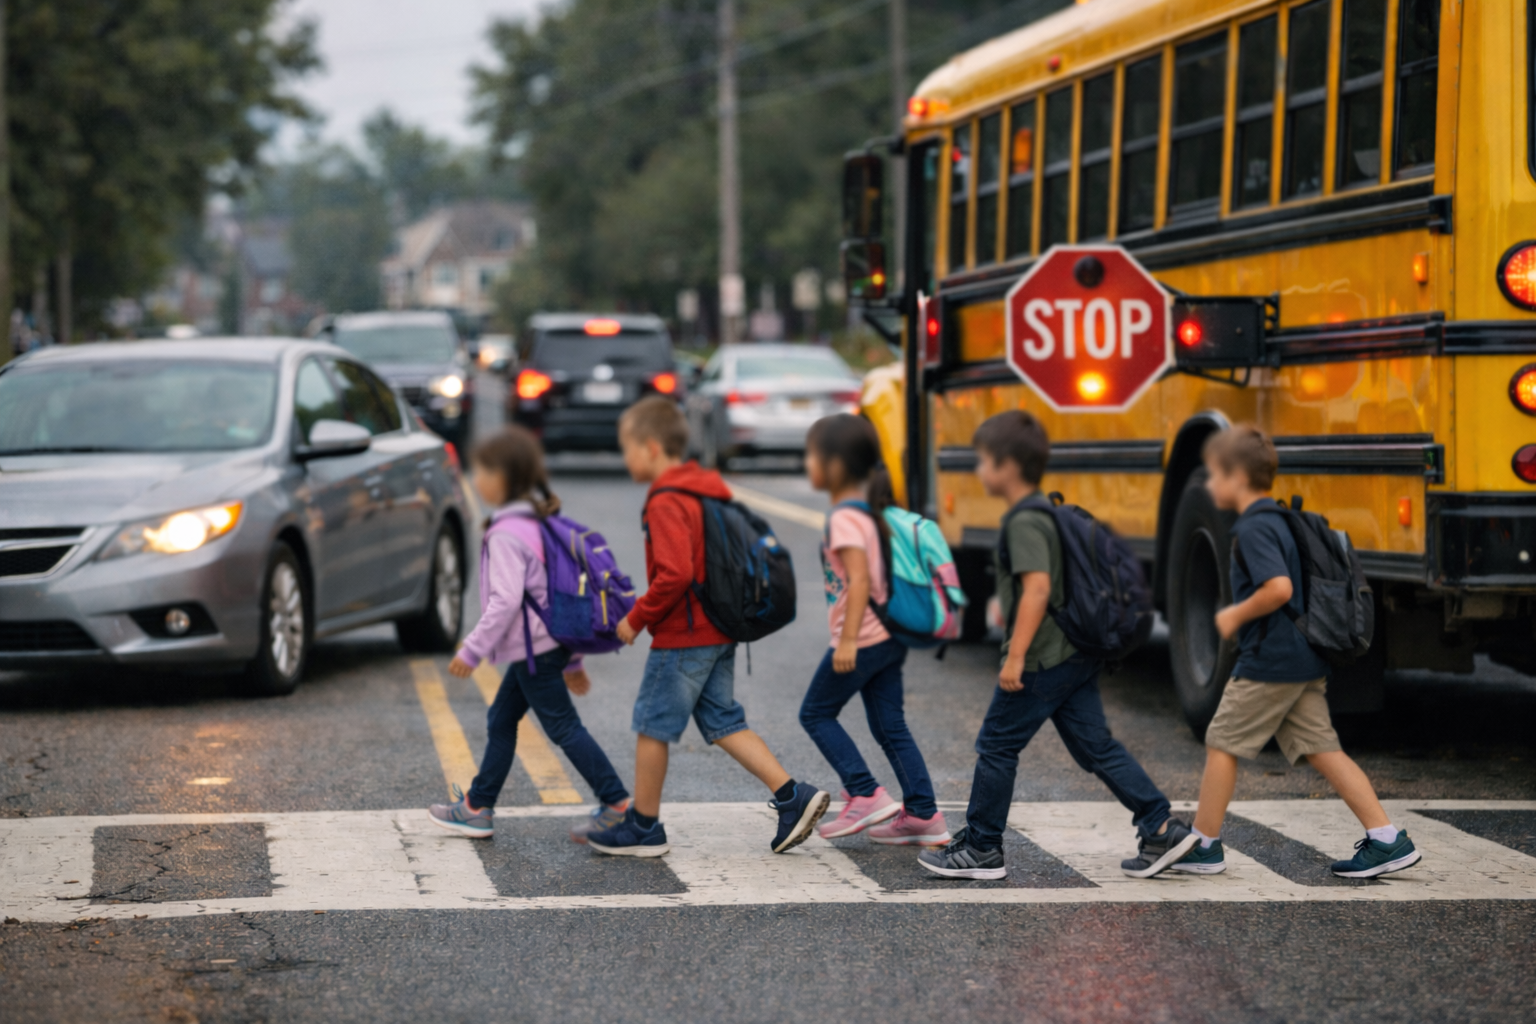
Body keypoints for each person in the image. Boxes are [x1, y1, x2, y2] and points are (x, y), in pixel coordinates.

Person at [919, 410, 1195, 880]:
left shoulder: (1025, 520)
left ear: (1007, 466)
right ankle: (1160, 826)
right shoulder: (1044, 512)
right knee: (1096, 747)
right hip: (1074, 653)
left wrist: (1017, 657)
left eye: (984, 461)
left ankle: (984, 848)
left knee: (997, 745)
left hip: (1044, 657)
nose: (979, 471)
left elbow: (1039, 588)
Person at [1155, 425, 1422, 879]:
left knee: (1222, 741)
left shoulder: (1255, 528)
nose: (1209, 484)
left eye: (1215, 475)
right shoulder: (1277, 519)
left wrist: (1235, 615)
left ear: (1237, 477)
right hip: (1301, 656)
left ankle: (1204, 843)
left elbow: (1277, 588)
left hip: (1270, 661)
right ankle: (1386, 838)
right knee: (1322, 748)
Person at [585, 396, 829, 857]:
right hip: (718, 627)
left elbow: (674, 574)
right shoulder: (703, 488)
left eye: (628, 448)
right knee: (722, 720)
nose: (626, 458)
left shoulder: (666, 499)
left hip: (684, 634)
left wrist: (636, 618)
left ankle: (643, 827)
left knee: (652, 726)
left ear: (652, 448)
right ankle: (791, 796)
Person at [428, 426, 632, 842]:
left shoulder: (506, 533)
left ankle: (618, 804)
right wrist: (572, 659)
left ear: (502, 479)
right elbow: (555, 595)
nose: (475, 480)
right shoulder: (538, 523)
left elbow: (505, 602)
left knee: (563, 728)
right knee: (501, 718)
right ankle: (477, 806)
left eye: (481, 472)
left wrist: (471, 650)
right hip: (545, 646)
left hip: (533, 651)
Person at [800, 414, 949, 845]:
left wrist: (846, 640)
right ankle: (923, 814)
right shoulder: (867, 513)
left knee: (815, 712)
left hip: (862, 636)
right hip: (886, 636)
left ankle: (864, 791)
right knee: (890, 725)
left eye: (812, 456)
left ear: (836, 464)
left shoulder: (845, 518)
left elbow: (861, 580)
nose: (807, 464)